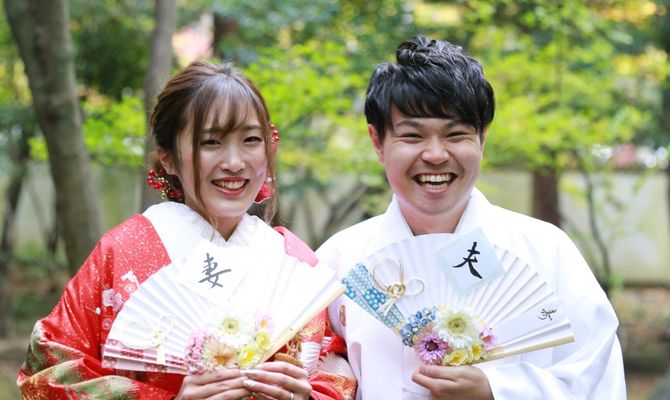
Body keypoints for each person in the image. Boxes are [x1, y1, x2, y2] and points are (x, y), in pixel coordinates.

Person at [17, 61, 356, 400]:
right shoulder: (123, 253)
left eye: (251, 139)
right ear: (168, 159)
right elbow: (46, 376)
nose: (234, 162)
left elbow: (337, 372)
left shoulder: (292, 257)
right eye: (211, 142)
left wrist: (306, 397)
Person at [316, 36, 625, 399]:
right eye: (412, 136)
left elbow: (596, 378)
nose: (435, 154)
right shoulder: (340, 261)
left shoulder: (546, 251)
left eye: (456, 134)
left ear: (482, 138)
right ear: (377, 142)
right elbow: (316, 376)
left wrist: (498, 390)